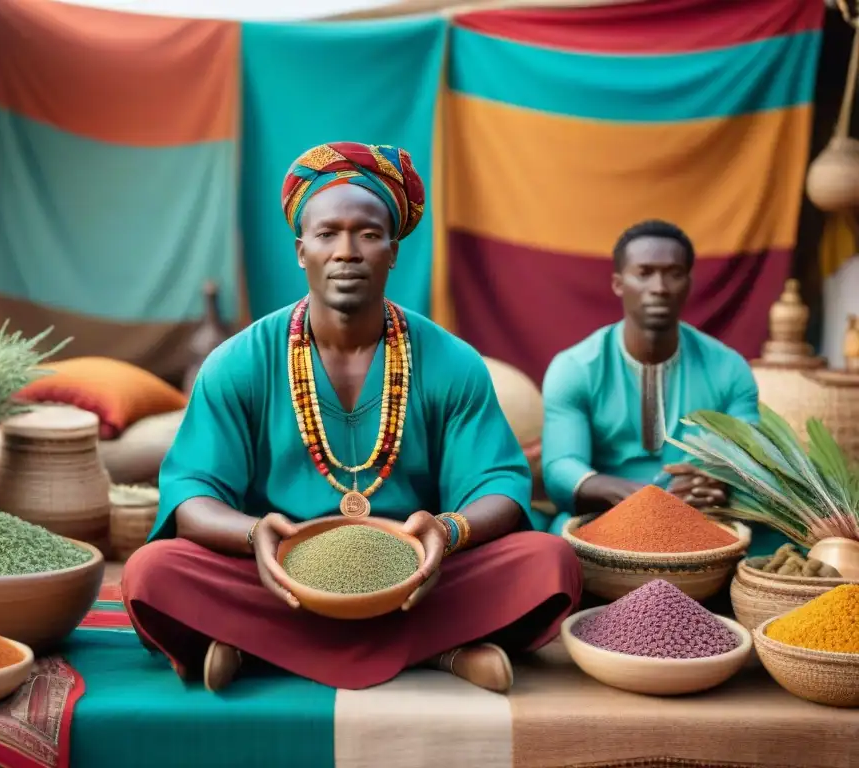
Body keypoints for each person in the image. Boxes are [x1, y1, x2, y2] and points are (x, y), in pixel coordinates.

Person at [122, 142, 582, 694]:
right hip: (278, 575)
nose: (347, 251)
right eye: (327, 234)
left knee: (550, 560)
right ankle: (443, 651)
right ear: (300, 251)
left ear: (393, 251)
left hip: (419, 577)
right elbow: (192, 489)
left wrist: (446, 530)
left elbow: (499, 486)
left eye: (367, 234)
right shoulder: (239, 362)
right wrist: (254, 536)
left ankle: (256, 647)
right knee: (153, 572)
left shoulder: (451, 361)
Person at [538, 219, 786, 556]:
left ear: (688, 282)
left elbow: (745, 454)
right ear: (618, 283)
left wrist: (719, 478)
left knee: (779, 546)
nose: (660, 287)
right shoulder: (575, 368)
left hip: (704, 517)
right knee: (552, 551)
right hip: (604, 515)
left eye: (673, 273)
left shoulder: (729, 369)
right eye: (644, 273)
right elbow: (561, 469)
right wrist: (648, 499)